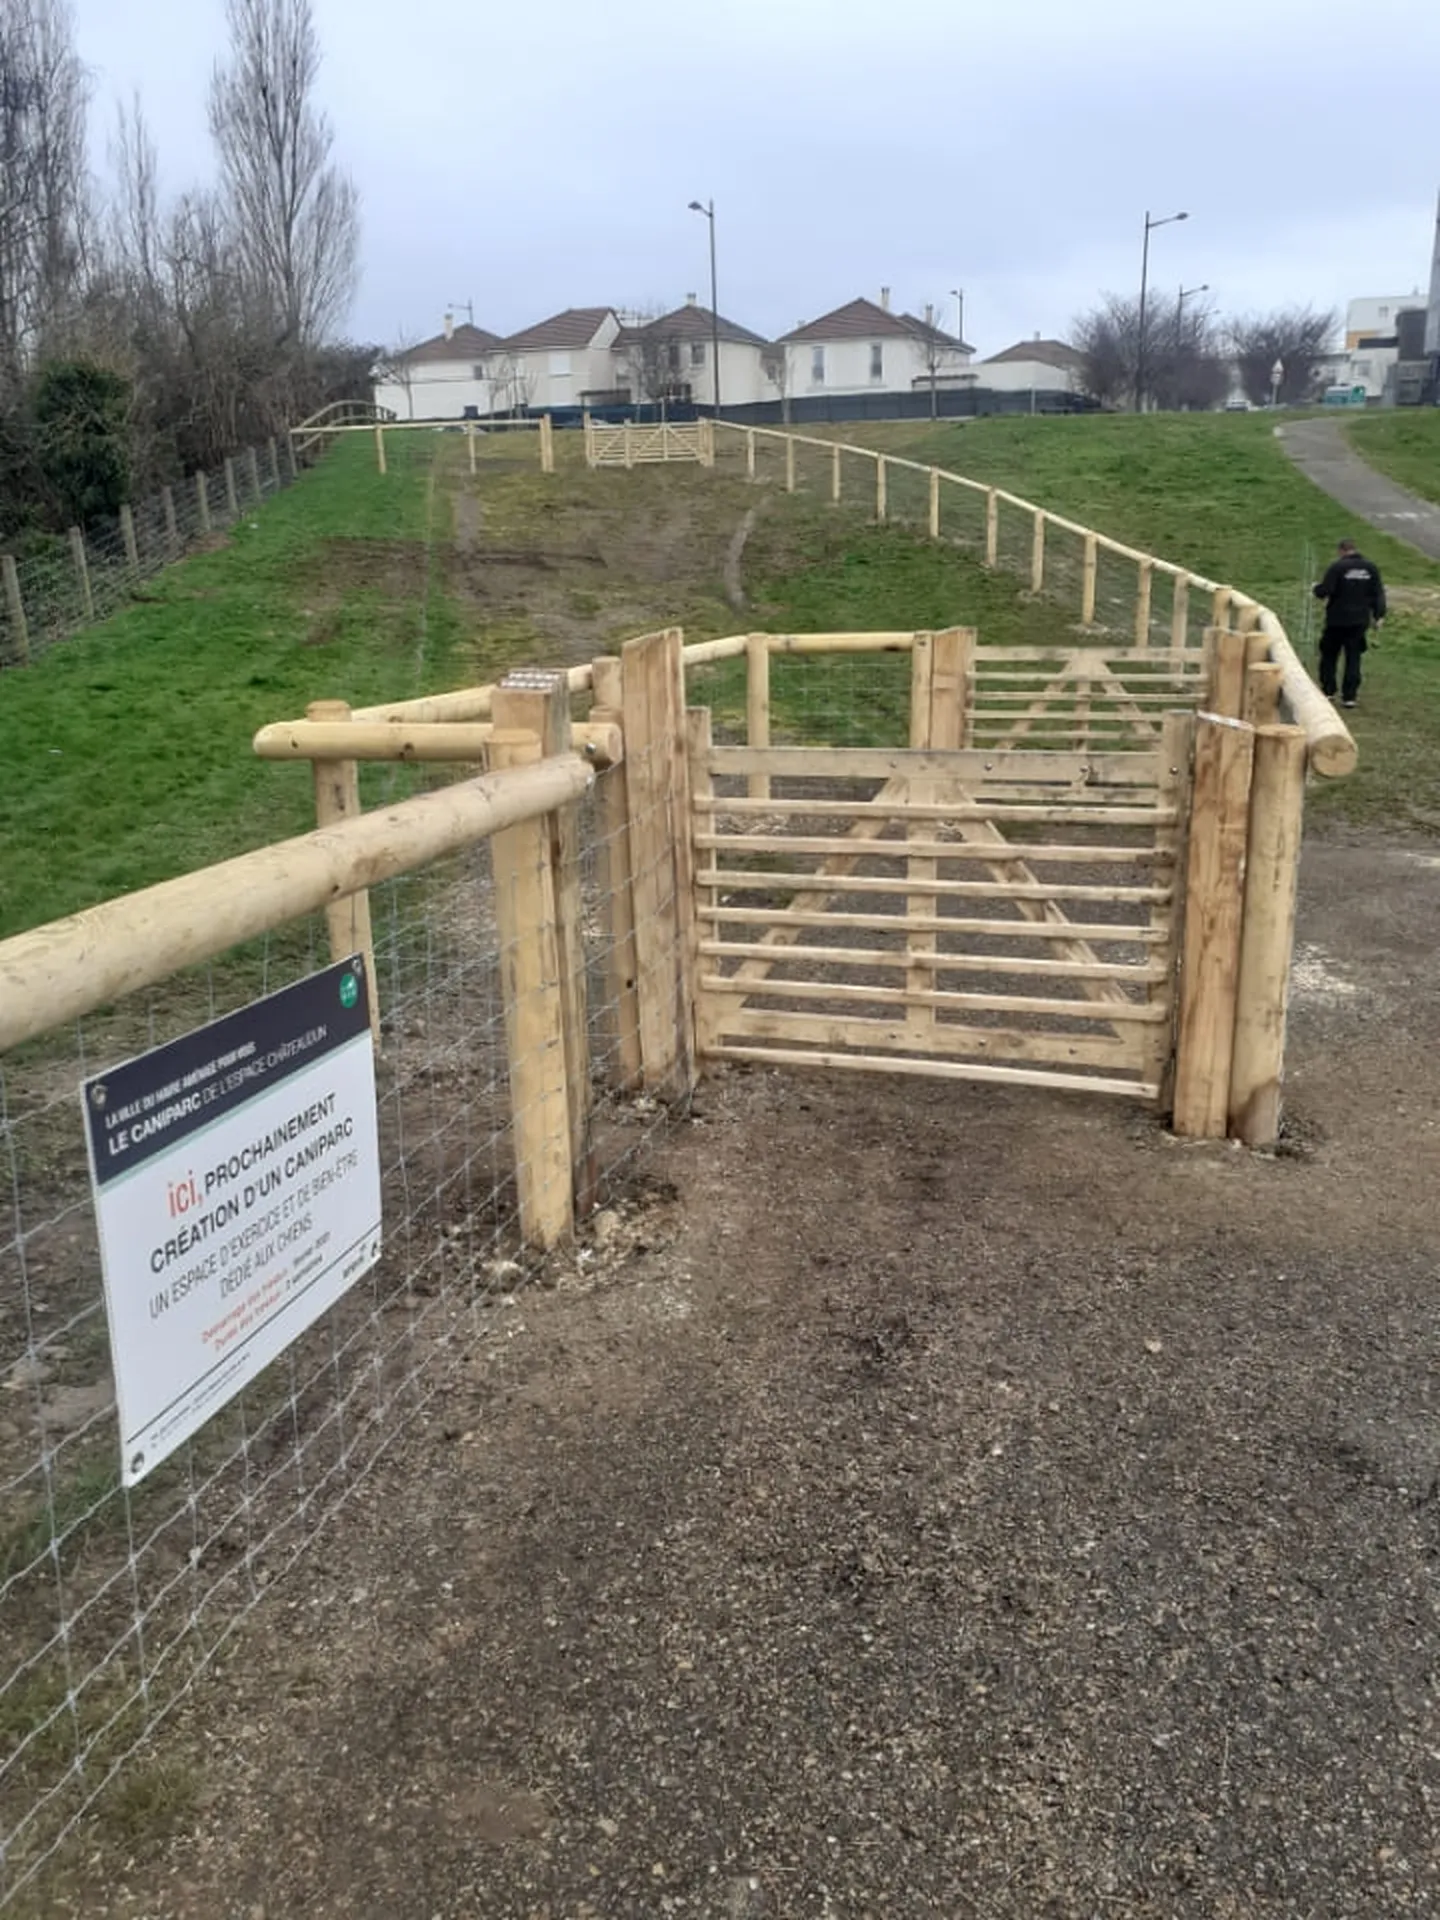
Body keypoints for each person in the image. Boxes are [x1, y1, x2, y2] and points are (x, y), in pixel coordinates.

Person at [1312, 538, 1385, 708]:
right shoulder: (1370, 568)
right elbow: (1378, 593)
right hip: (1359, 621)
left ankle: (1329, 691)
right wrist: (1379, 615)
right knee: (1354, 657)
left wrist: (1316, 589)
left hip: (1337, 620)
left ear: (1341, 551)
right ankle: (1349, 696)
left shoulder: (1338, 567)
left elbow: (1325, 591)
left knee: (1329, 655)